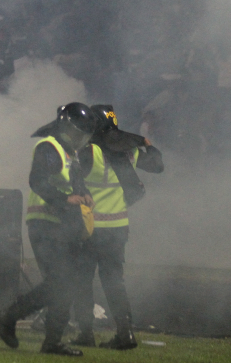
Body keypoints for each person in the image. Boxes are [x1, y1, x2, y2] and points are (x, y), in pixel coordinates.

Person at [0, 102, 98, 357]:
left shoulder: (69, 153)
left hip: (63, 225)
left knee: (65, 284)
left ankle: (51, 341)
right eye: (77, 134)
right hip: (45, 223)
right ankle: (10, 316)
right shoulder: (48, 147)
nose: (80, 139)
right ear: (66, 128)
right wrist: (65, 200)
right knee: (61, 282)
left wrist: (84, 195)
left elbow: (77, 183)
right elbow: (36, 181)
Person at [70, 104, 164, 350]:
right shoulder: (129, 152)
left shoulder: (90, 151)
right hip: (118, 229)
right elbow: (157, 165)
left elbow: (70, 179)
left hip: (89, 229)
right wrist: (147, 142)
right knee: (114, 282)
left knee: (82, 281)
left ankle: (85, 333)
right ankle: (125, 334)